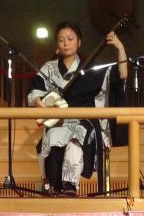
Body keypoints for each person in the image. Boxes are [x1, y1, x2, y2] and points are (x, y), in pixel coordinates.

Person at [27, 21, 128, 195]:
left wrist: (120, 48)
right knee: (53, 134)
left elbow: (122, 75)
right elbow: (35, 92)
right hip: (59, 120)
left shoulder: (90, 69)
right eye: (61, 40)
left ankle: (70, 186)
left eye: (70, 39)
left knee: (76, 140)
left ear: (79, 42)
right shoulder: (49, 68)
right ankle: (52, 185)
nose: (65, 43)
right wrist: (38, 102)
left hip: (84, 120)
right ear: (57, 44)